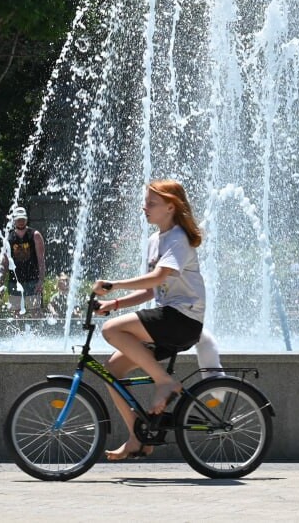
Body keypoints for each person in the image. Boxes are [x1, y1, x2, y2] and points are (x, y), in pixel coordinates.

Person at [92, 179, 206, 461]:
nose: (145, 207)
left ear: (171, 207)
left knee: (111, 329)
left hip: (182, 318)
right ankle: (137, 438)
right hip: (166, 320)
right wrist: (114, 303)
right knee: (111, 372)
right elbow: (149, 292)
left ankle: (164, 381)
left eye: (152, 203)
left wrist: (114, 284)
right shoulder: (155, 241)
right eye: (146, 202)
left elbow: (157, 278)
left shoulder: (179, 238)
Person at [0, 206, 45, 315]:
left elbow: (41, 260)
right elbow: (4, 262)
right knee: (16, 312)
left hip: (32, 279)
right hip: (15, 280)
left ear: (26, 219)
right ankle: (18, 332)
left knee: (35, 310)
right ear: (14, 220)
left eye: (23, 219)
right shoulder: (9, 238)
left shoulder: (35, 235)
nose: (21, 222)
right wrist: (1, 282)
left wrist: (41, 280)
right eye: (18, 219)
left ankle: (37, 332)